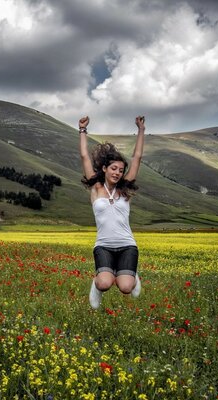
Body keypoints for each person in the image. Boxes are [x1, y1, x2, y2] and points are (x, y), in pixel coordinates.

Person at [78, 115, 145, 309]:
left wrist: (141, 129)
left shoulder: (125, 189)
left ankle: (132, 275)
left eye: (121, 170)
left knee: (126, 288)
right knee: (105, 283)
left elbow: (137, 157)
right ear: (105, 168)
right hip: (104, 246)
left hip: (127, 246)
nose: (117, 172)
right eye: (114, 168)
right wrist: (82, 130)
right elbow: (84, 156)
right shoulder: (96, 187)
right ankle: (97, 283)